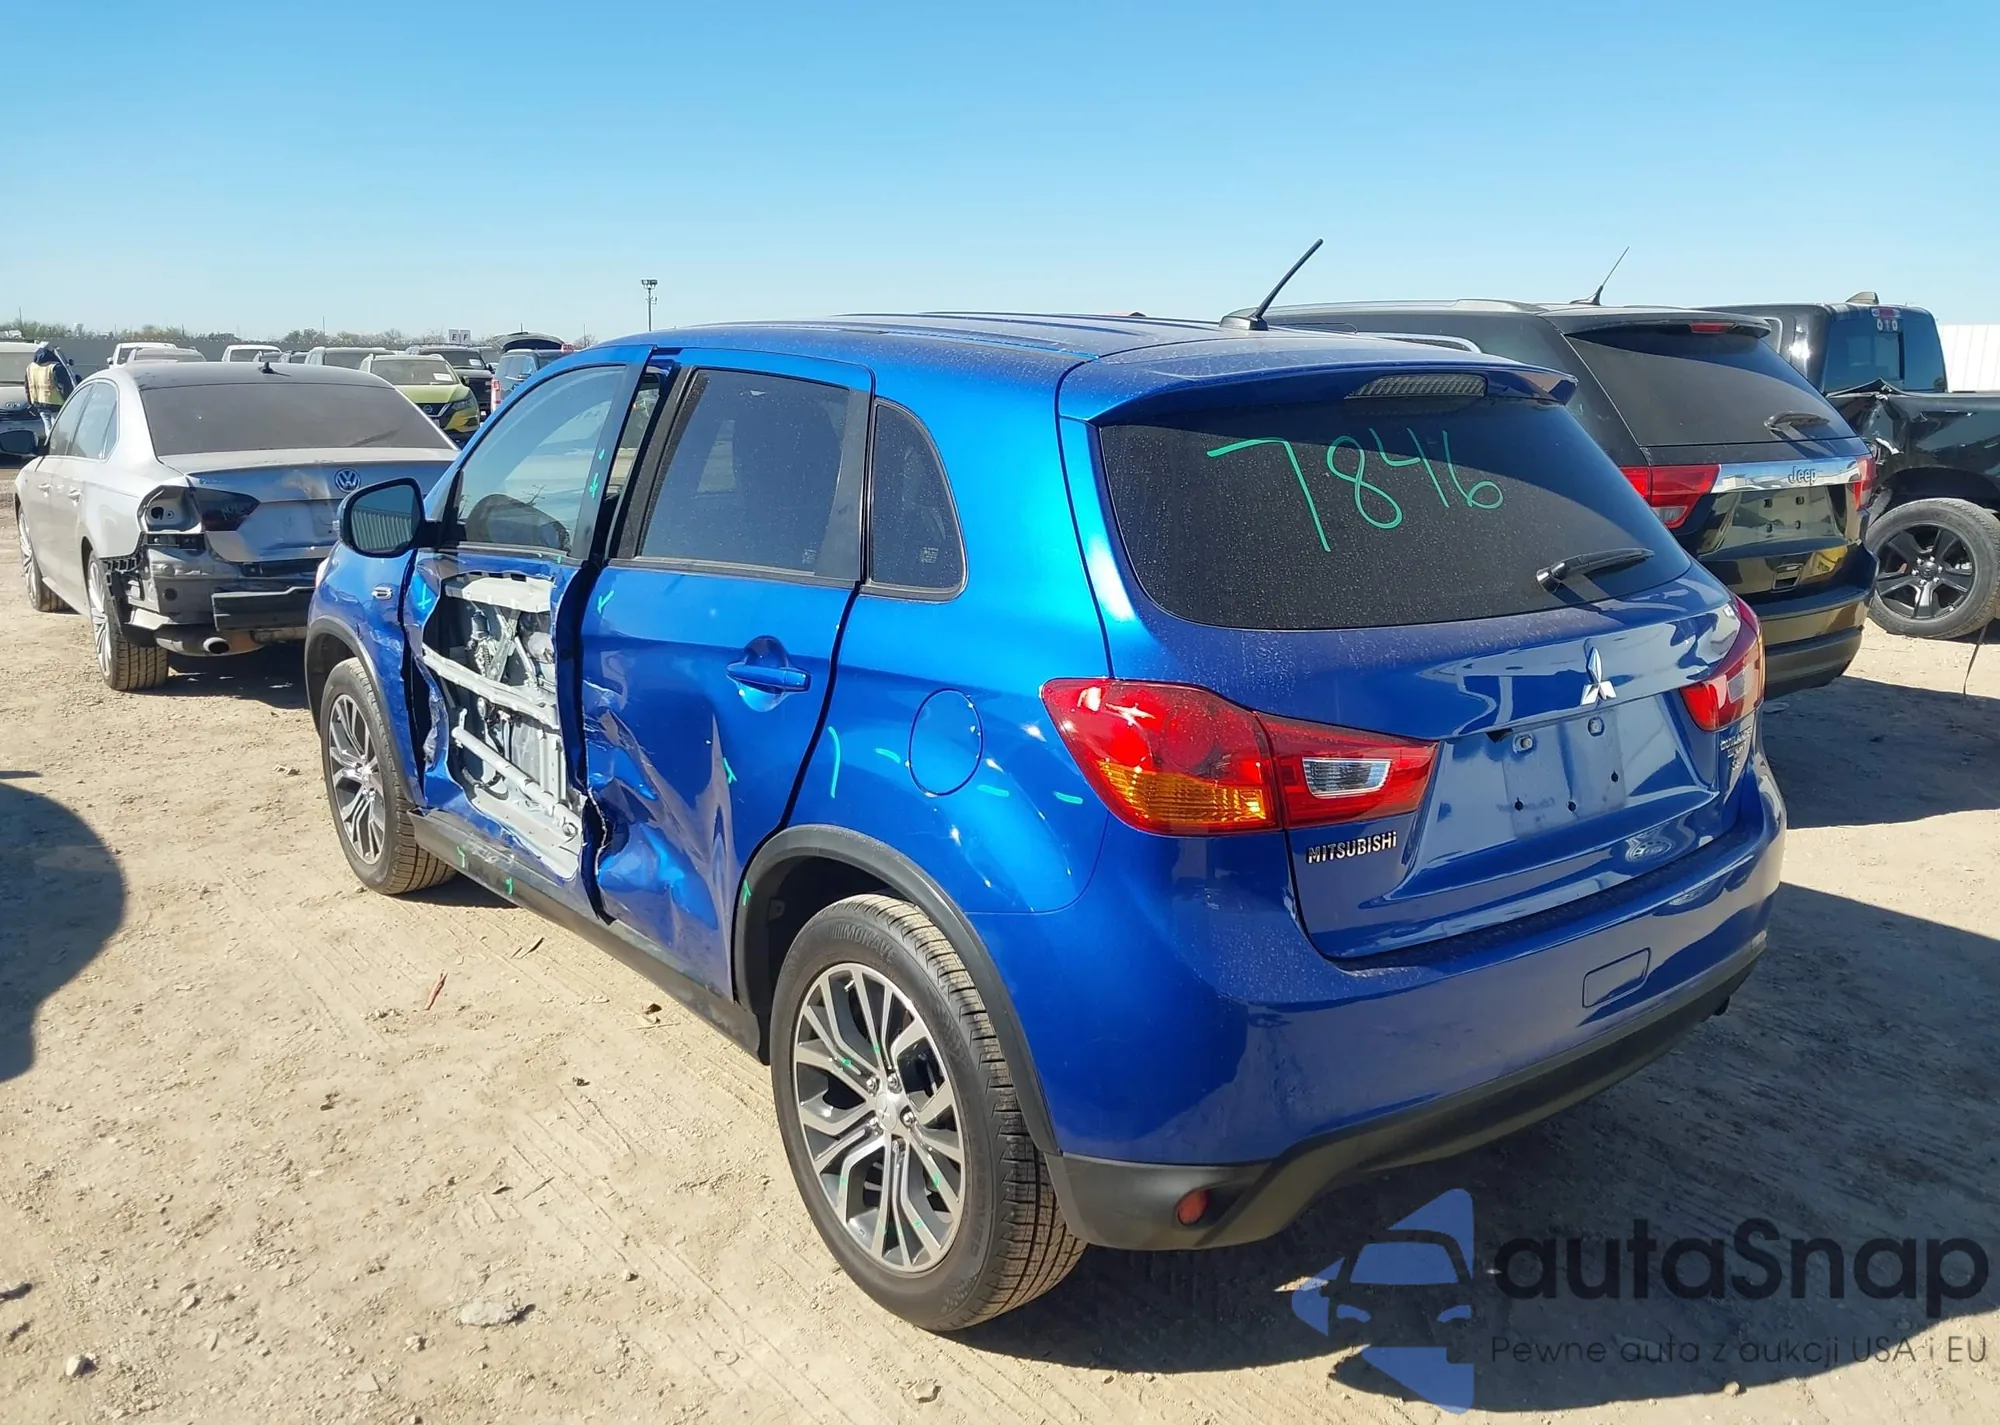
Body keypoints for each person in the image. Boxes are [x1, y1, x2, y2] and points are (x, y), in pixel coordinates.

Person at [25, 343, 74, 408]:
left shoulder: (30, 367)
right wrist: (70, 403)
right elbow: (65, 388)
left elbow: (27, 388)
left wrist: (30, 403)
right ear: (51, 352)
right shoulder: (56, 367)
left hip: (38, 405)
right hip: (57, 406)